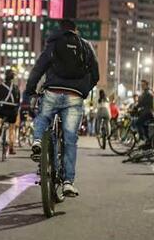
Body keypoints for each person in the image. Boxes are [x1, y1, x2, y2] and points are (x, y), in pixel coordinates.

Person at [23, 19, 99, 197]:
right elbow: (95, 74)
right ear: (76, 30)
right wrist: (83, 90)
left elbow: (38, 68)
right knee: (70, 139)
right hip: (74, 96)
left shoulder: (54, 43)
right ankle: (67, 182)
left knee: (43, 117)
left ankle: (38, 141)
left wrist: (30, 90)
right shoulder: (85, 46)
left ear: (61, 30)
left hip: (53, 92)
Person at [0, 69, 21, 155]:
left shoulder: (0, 87)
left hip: (2, 110)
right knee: (12, 128)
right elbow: (18, 101)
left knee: (0, 115)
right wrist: (16, 109)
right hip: (12, 111)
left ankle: (1, 127)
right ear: (13, 78)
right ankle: (11, 148)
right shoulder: (16, 88)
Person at [135, 79, 154, 148]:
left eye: (143, 85)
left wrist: (135, 107)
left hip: (148, 112)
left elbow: (141, 102)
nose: (142, 86)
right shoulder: (146, 92)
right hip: (147, 111)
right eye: (141, 85)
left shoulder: (147, 93)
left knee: (138, 123)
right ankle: (147, 141)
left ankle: (142, 139)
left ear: (146, 85)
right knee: (144, 126)